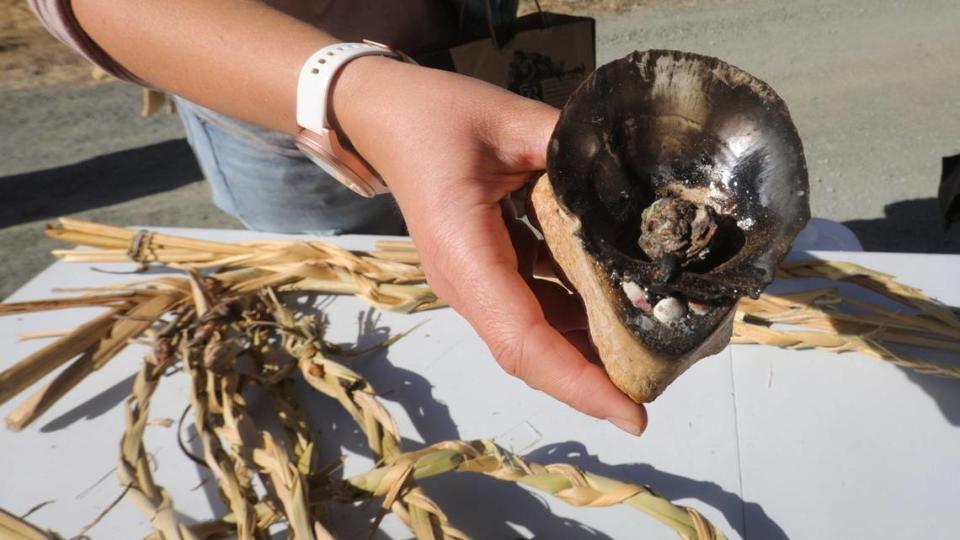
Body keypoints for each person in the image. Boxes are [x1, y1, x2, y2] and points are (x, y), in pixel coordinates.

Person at [28, 0, 647, 435]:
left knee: (490, 267)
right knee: (347, 318)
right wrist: (344, 91)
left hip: (469, 49)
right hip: (279, 113)